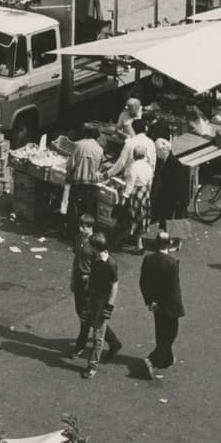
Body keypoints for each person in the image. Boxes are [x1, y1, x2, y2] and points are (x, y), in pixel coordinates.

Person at [137, 231, 184, 380]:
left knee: (160, 330)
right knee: (171, 332)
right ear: (169, 244)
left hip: (155, 303)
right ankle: (152, 359)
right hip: (169, 305)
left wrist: (151, 301)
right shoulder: (172, 263)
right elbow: (174, 289)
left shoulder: (148, 259)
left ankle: (166, 359)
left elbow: (143, 282)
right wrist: (178, 307)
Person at [78, 233, 122, 380]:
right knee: (95, 324)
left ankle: (92, 366)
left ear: (96, 248)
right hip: (94, 297)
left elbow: (114, 286)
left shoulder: (110, 264)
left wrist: (109, 307)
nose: (88, 247)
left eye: (90, 245)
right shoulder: (96, 259)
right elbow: (93, 275)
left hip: (103, 300)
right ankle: (115, 344)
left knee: (98, 336)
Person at [106, 118, 156, 247]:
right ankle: (138, 241)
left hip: (132, 187)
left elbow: (121, 163)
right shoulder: (150, 143)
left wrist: (109, 173)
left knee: (125, 214)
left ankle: (119, 238)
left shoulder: (130, 144)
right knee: (140, 214)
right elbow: (153, 165)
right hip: (144, 189)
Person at [67, 217, 98, 355]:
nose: (81, 229)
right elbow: (76, 260)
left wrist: (91, 278)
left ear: (90, 227)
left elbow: (100, 266)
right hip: (79, 279)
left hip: (89, 281)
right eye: (80, 225)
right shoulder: (78, 238)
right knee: (81, 312)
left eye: (84, 226)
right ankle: (113, 341)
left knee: (85, 315)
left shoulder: (96, 242)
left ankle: (80, 345)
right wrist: (72, 279)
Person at [66, 128, 105, 229]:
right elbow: (100, 168)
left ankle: (72, 228)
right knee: (87, 206)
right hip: (91, 182)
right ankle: (86, 228)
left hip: (78, 180)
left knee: (74, 205)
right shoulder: (100, 149)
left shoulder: (81, 145)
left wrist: (68, 174)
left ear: (87, 135)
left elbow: (71, 163)